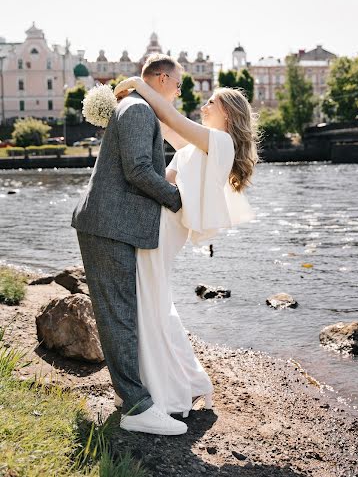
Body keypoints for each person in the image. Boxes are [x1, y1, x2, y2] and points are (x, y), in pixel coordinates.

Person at [113, 62, 258, 419]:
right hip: (159, 225)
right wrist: (118, 105)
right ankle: (190, 382)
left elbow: (172, 118)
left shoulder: (219, 142)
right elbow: (162, 124)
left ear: (227, 113)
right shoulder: (199, 146)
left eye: (211, 102)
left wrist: (136, 84)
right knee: (156, 304)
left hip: (164, 229)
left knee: (150, 305)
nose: (204, 105)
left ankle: (166, 393)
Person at [71, 54, 188, 436]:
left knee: (120, 312)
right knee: (118, 316)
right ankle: (137, 407)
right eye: (177, 83)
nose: (179, 91)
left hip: (111, 225)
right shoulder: (138, 110)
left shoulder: (135, 107)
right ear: (160, 78)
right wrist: (176, 197)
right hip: (109, 226)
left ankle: (129, 396)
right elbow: (138, 169)